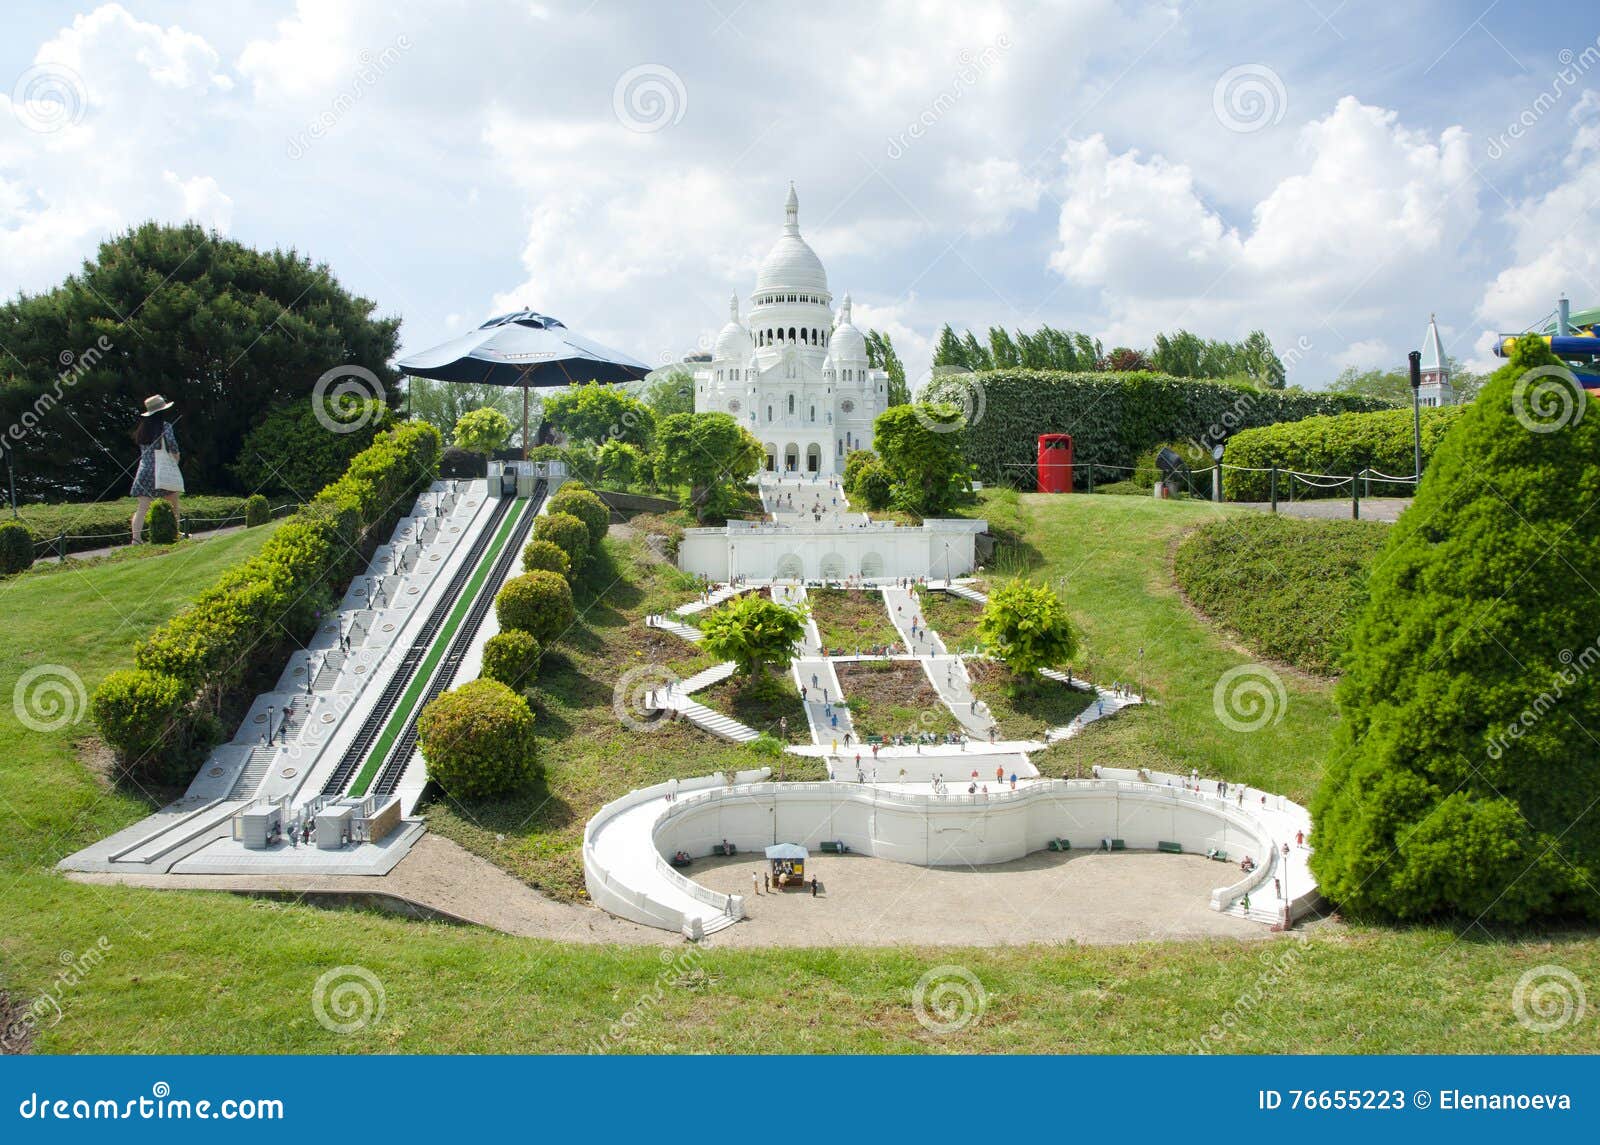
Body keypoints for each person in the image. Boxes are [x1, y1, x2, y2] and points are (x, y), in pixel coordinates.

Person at [130, 394, 183, 543]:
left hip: (144, 471)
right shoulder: (165, 426)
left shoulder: (142, 430)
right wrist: (175, 464)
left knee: (142, 508)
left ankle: (136, 538)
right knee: (173, 505)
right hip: (162, 471)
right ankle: (176, 533)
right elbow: (173, 448)